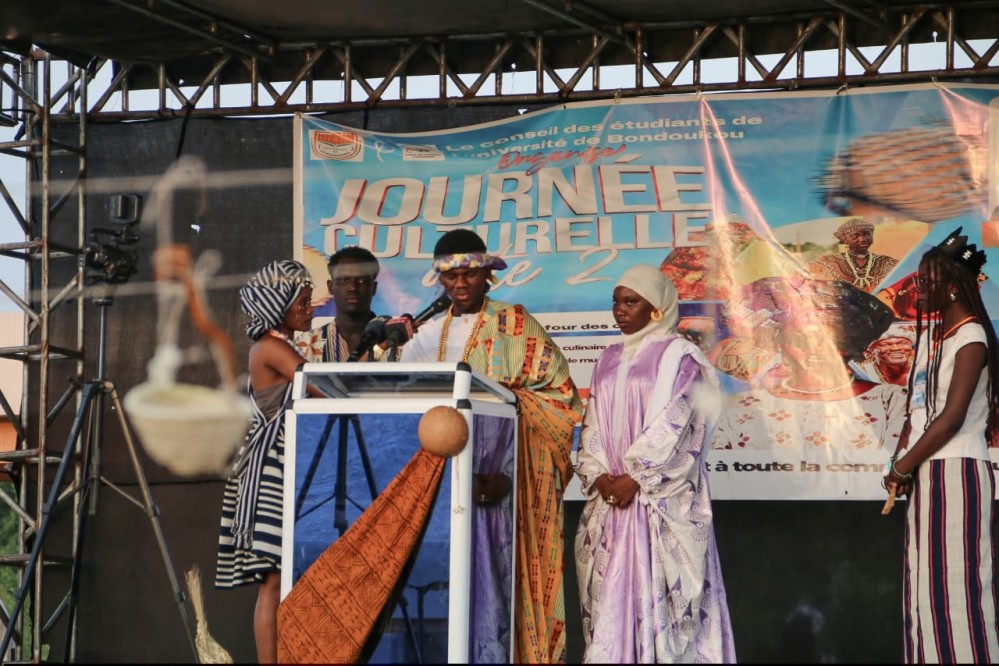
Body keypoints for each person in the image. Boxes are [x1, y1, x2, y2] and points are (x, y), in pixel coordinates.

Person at [399, 228, 583, 664]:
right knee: (453, 582)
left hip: (508, 478)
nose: (460, 285)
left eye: (470, 274)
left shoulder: (517, 324)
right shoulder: (428, 335)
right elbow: (405, 399)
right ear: (439, 281)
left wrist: (510, 462)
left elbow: (559, 397)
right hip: (448, 482)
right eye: (450, 277)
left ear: (487, 275)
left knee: (505, 577)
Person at [573, 264, 735, 663]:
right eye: (616, 302)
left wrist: (639, 476)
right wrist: (599, 475)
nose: (620, 310)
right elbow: (592, 420)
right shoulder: (607, 358)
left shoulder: (683, 357)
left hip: (658, 502)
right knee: (609, 610)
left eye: (631, 302)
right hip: (612, 502)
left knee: (667, 617)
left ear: (657, 308)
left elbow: (685, 422)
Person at [882, 227, 999, 663]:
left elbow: (951, 418)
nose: (917, 290)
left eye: (926, 283)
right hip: (929, 474)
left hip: (958, 474)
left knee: (958, 587)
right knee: (924, 587)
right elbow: (919, 412)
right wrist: (901, 464)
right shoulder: (934, 340)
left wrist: (901, 468)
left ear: (952, 287)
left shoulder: (971, 339)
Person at [215, 259, 314, 664]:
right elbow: (319, 389)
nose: (310, 309)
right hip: (273, 469)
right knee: (272, 582)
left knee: (282, 579)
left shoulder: (281, 345)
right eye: (303, 302)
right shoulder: (272, 348)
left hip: (286, 463)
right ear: (281, 306)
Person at [711, 276, 906, 451]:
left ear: (851, 343)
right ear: (780, 345)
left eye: (831, 341)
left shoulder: (890, 401)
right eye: (800, 340)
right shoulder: (742, 407)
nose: (816, 350)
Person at [296, 245, 382, 361]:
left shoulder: (395, 342)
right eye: (344, 280)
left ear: (374, 288)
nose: (353, 287)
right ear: (331, 287)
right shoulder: (306, 344)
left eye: (362, 280)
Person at [807, 218, 898, 293]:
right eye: (855, 236)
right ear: (844, 240)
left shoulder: (890, 263)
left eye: (867, 234)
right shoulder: (825, 263)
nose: (862, 239)